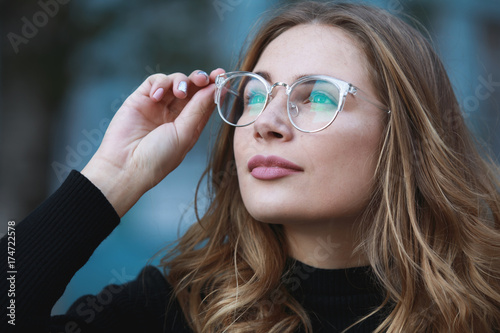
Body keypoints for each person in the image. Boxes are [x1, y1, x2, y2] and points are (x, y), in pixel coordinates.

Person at [2, 1, 500, 332]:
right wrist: (111, 176)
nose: (266, 123)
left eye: (318, 96)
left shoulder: (483, 308)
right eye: (255, 94)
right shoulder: (178, 313)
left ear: (405, 135)